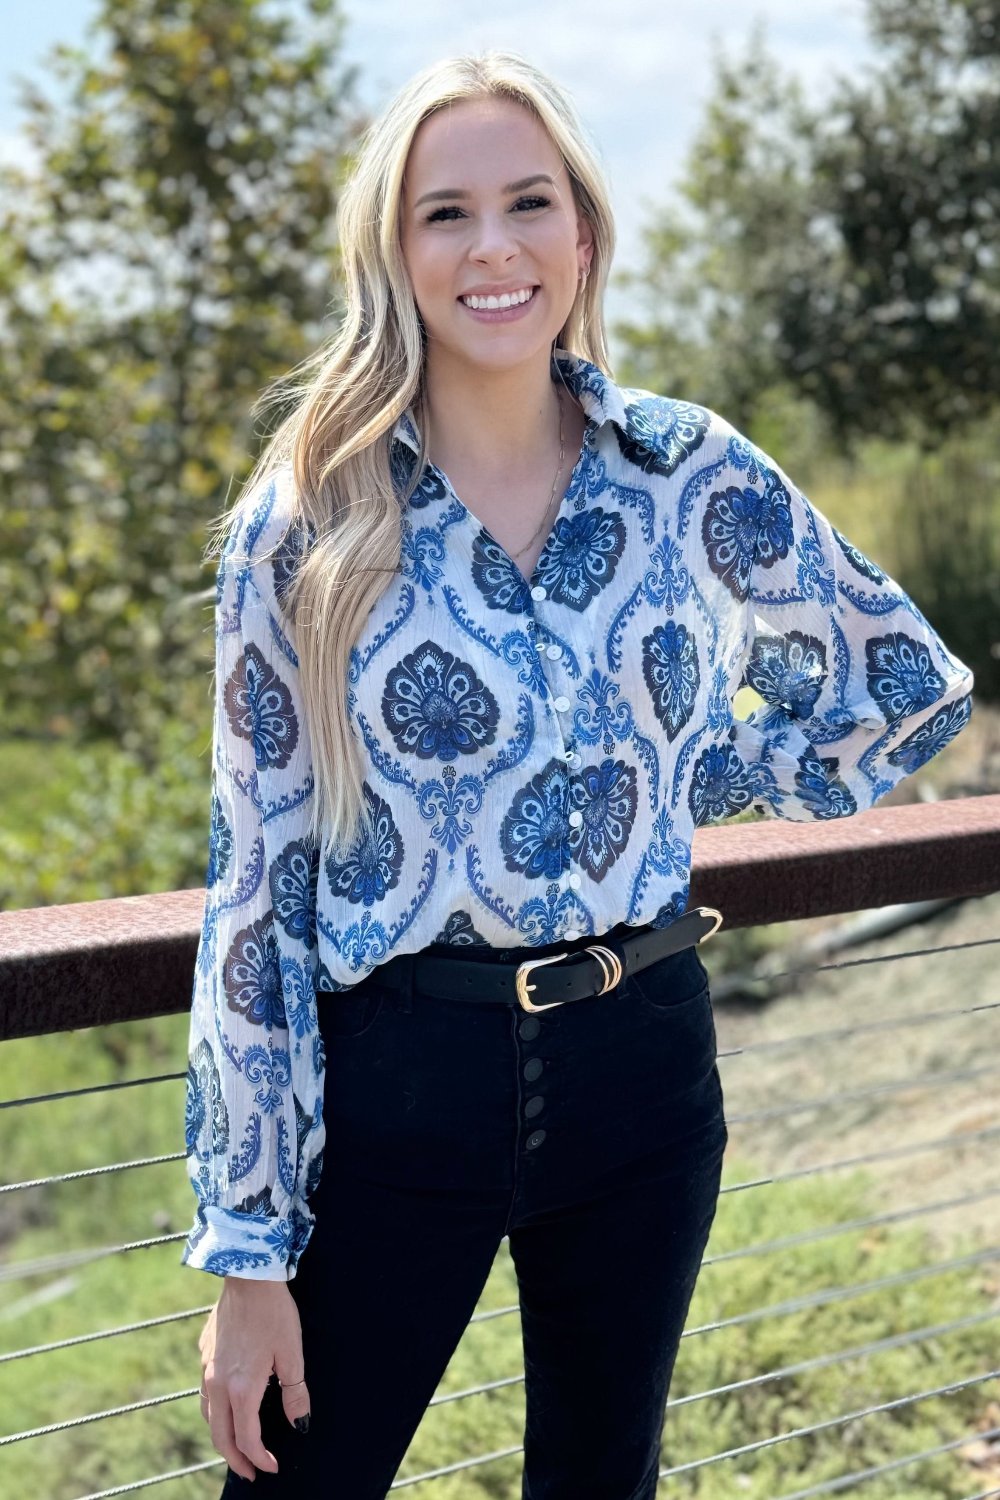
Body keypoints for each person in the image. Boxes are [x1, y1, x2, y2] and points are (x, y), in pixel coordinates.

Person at [181, 49, 975, 1500]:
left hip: (642, 1067)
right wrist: (247, 1250)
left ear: (585, 233)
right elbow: (255, 889)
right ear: (393, 252)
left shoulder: (685, 471)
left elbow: (899, 685)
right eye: (446, 213)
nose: (494, 246)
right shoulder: (307, 521)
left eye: (529, 202)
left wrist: (678, 773)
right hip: (398, 1088)